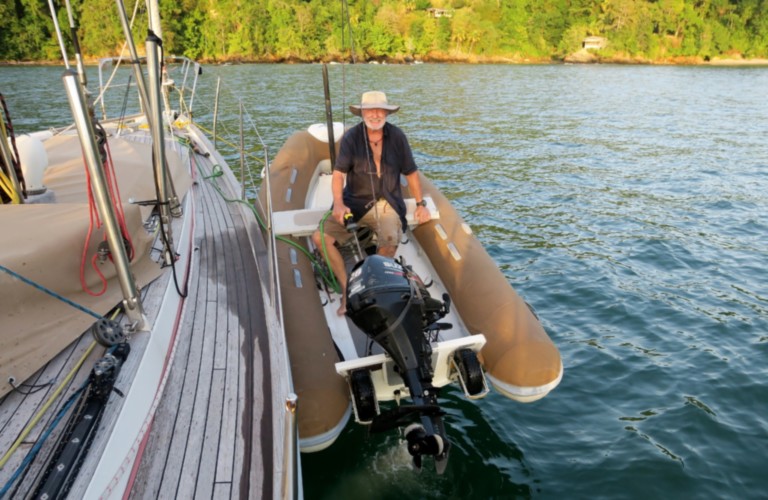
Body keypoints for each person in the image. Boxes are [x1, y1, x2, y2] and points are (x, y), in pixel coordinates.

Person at [312, 91, 431, 315]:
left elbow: (411, 172)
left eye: (380, 111)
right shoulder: (351, 137)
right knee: (320, 238)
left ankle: (375, 286)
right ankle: (346, 289)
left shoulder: (397, 137)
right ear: (362, 113)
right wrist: (338, 203)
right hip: (355, 201)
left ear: (386, 113)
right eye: (370, 110)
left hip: (387, 202)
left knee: (389, 241)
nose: (375, 115)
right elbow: (338, 174)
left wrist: (420, 204)